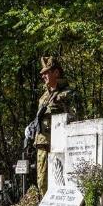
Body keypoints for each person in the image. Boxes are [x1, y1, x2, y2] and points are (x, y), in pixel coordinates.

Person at [25, 56, 76, 195]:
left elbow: (74, 118)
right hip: (42, 142)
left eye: (46, 72)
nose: (43, 76)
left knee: (62, 180)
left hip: (60, 145)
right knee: (42, 181)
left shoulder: (68, 94)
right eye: (42, 73)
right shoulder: (44, 97)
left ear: (56, 73)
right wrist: (31, 127)